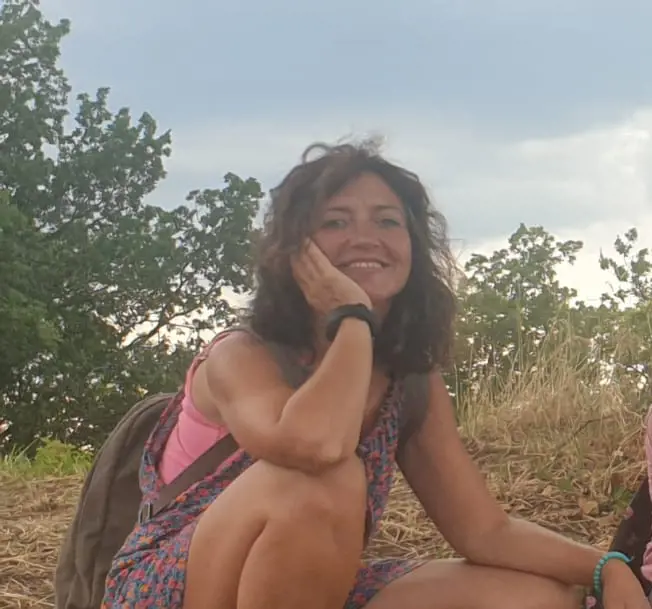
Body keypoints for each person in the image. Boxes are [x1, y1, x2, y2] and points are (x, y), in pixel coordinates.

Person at [101, 140, 648, 609]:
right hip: (173, 586)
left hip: (303, 587)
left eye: (387, 221)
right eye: (335, 222)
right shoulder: (240, 356)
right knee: (325, 479)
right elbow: (315, 445)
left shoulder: (409, 382)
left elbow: (485, 530)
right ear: (295, 252)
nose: (365, 237)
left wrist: (606, 567)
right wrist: (353, 319)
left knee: (534, 598)